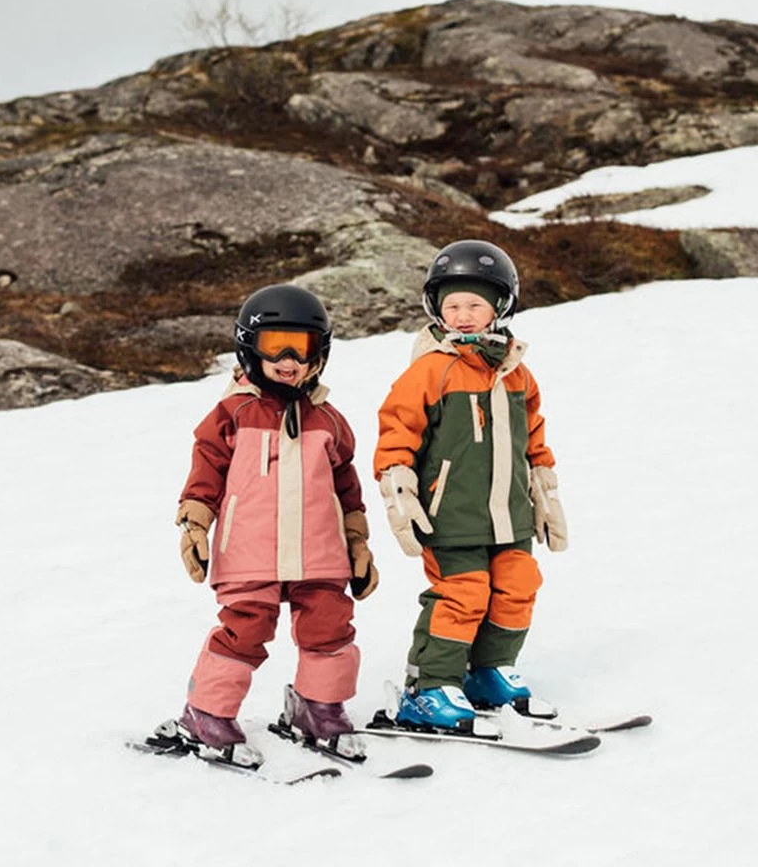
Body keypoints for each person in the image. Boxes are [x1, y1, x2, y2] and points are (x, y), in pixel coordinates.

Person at [173, 283, 378, 762]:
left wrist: (357, 543)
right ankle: (206, 713)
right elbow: (206, 472)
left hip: (320, 552)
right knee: (245, 629)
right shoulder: (233, 413)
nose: (289, 359)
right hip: (250, 550)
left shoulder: (329, 420)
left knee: (330, 626)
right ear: (250, 348)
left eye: (302, 346)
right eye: (275, 346)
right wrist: (195, 526)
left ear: (319, 353)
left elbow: (347, 488)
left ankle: (318, 707)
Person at [374, 239, 568, 734]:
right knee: (462, 594)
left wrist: (543, 490)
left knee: (517, 587)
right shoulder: (430, 371)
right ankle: (428, 687)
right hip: (451, 515)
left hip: (510, 515)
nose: (462, 315)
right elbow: (397, 432)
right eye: (452, 305)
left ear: (499, 307)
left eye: (474, 305)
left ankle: (488, 671)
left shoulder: (517, 373)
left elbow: (533, 436)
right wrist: (400, 491)